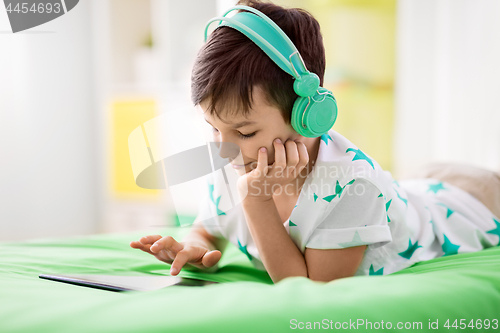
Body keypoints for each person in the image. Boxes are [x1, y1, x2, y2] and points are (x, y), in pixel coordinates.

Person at [130, 0, 500, 283]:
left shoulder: (352, 187)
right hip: (415, 189)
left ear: (307, 115)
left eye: (244, 132)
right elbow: (210, 225)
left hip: (472, 199)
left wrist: (257, 203)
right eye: (212, 127)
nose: (222, 146)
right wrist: (197, 247)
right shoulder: (236, 158)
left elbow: (308, 290)